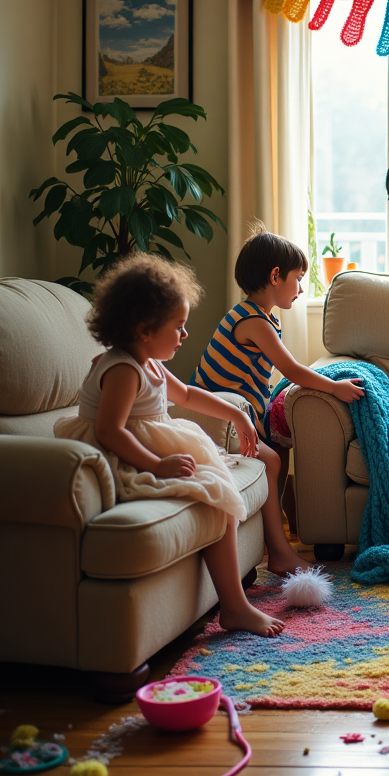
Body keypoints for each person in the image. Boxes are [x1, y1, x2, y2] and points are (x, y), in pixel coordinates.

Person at [54, 253, 285, 637]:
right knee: (214, 493)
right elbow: (111, 431)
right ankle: (235, 606)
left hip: (147, 443)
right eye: (179, 327)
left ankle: (233, 604)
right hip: (122, 456)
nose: (185, 335)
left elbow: (189, 396)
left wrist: (238, 415)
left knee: (218, 493)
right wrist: (156, 465)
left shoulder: (149, 363)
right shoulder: (123, 369)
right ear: (144, 330)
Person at [191, 229, 365, 570]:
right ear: (275, 276)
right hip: (216, 421)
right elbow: (293, 368)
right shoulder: (252, 321)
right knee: (270, 461)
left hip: (235, 415)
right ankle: (281, 553)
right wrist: (335, 387)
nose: (301, 289)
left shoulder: (257, 315)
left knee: (278, 443)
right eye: (298, 279)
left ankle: (284, 533)